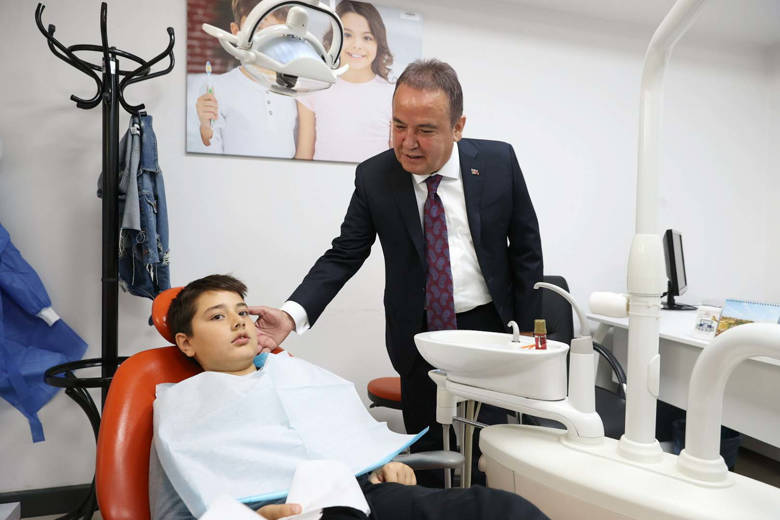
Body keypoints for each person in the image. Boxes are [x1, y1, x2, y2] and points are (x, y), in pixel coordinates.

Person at [253, 59, 543, 487]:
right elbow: (344, 254)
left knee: (493, 455)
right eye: (398, 125)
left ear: (458, 127)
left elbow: (526, 249)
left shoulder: (498, 161)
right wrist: (291, 314)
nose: (407, 143)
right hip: (419, 337)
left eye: (425, 130)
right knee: (430, 460)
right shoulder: (376, 176)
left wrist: (533, 336)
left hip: (491, 329)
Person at [150, 274, 547, 520]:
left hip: (368, 495)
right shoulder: (184, 405)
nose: (238, 321)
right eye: (218, 316)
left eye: (242, 312)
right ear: (185, 342)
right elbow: (178, 505)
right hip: (287, 512)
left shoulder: (298, 375)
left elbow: (345, 439)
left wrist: (386, 464)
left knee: (503, 509)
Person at [188, 0, 297, 158]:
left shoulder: (295, 90)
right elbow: (209, 152)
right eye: (258, 29)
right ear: (235, 31)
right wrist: (205, 126)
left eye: (273, 31)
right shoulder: (217, 88)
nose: (264, 40)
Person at [294, 1, 394, 162]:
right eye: (347, 35)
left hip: (373, 179)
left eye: (367, 37)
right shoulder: (313, 87)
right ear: (334, 38)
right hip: (322, 177)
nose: (357, 45)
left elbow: (395, 159)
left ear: (378, 43)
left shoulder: (392, 94)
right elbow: (304, 154)